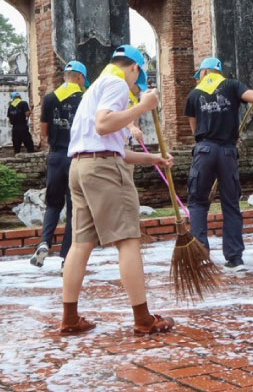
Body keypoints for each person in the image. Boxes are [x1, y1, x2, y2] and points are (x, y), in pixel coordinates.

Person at [60, 45, 175, 336]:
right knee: (128, 240)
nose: (137, 87)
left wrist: (154, 159)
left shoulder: (94, 89)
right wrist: (143, 107)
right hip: (103, 171)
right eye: (138, 79)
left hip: (80, 168)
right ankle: (143, 319)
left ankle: (70, 318)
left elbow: (115, 147)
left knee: (80, 244)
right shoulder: (116, 83)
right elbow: (103, 127)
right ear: (134, 68)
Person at [184, 57, 253, 271]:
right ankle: (235, 258)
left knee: (198, 203)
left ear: (203, 72)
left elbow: (195, 131)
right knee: (231, 204)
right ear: (219, 71)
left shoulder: (194, 94)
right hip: (228, 152)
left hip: (204, 151)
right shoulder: (231, 84)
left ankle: (201, 255)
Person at [31, 61, 89, 268]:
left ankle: (45, 241)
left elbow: (43, 131)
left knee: (53, 204)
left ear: (65, 76)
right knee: (75, 209)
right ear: (80, 78)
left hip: (55, 157)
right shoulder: (85, 99)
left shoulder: (49, 99)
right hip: (76, 158)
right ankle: (67, 259)